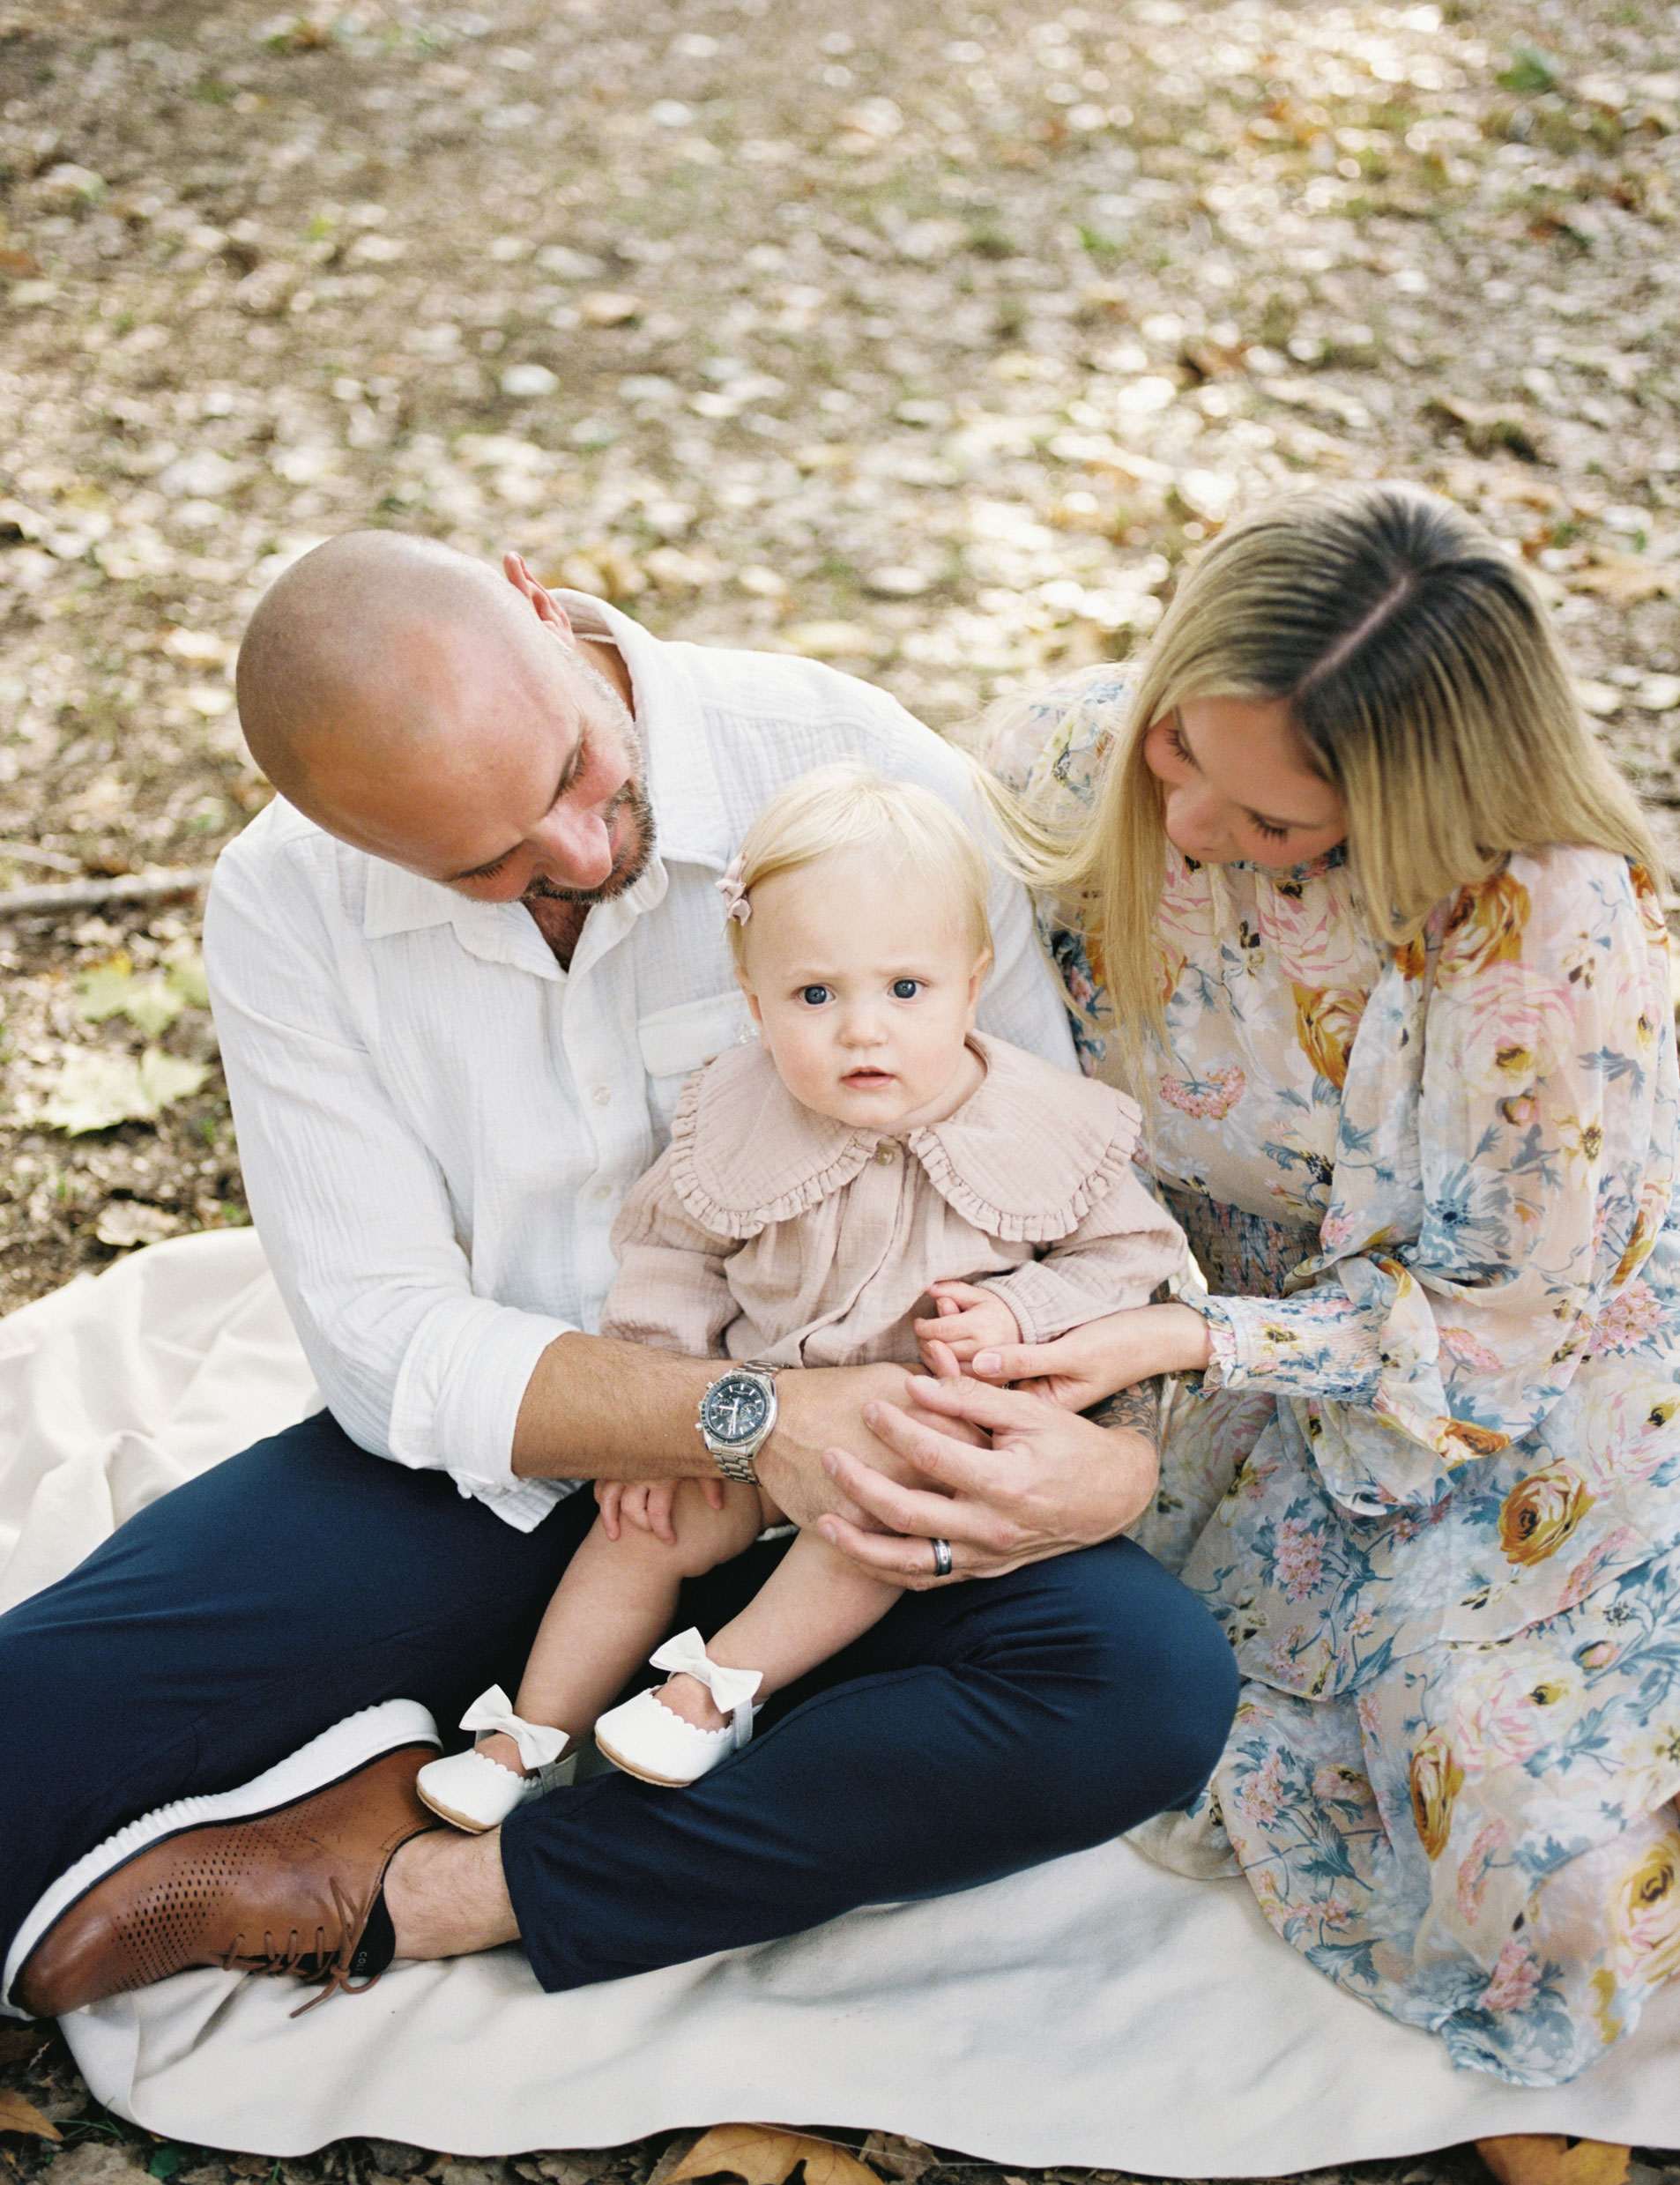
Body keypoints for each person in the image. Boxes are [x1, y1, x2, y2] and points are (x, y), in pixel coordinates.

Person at [2, 531, 1238, 2022]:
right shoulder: (288, 899)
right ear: (349, 832)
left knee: (1138, 1691)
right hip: (515, 1472)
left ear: (538, 599)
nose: (583, 856)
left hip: (896, 1473)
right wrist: (751, 1421)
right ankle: (504, 1741)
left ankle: (416, 1890)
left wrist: (1107, 1468)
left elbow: (1057, 1190)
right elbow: (386, 1342)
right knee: (30, 1741)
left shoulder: (849, 765)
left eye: (577, 777)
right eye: (488, 866)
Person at [945, 481, 1680, 2085]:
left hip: (1480, 1360)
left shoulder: (1541, 922)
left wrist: (1194, 1339)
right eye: (1180, 751)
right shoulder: (1070, 762)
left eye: (1274, 823)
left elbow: (1500, 1317)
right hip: (1161, 1294)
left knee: (1513, 1829)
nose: (1193, 824)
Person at [415, 767, 1186, 1821]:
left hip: (910, 1437)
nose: (861, 1032)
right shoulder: (737, 1110)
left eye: (904, 991)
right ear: (754, 997)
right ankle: (526, 1737)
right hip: (749, 1418)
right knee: (639, 1522)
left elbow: (1131, 1260)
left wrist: (1024, 1310)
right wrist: (654, 1427)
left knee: (875, 1525)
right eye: (814, 996)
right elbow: (669, 1258)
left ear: (973, 979)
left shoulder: (1048, 1125)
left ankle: (713, 1689)